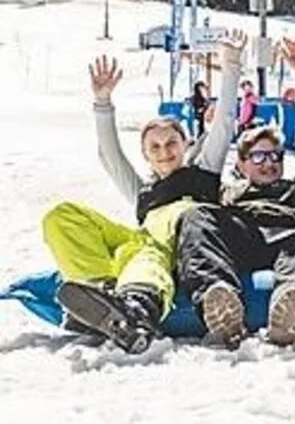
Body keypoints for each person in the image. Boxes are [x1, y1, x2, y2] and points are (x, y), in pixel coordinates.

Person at [40, 31, 244, 353]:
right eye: (155, 147)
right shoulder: (143, 192)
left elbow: (224, 124)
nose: (164, 152)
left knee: (147, 250)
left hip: (182, 240)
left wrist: (231, 65)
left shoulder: (203, 171)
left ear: (185, 144)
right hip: (143, 240)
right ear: (146, 155)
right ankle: (104, 293)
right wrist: (103, 102)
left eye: (171, 143)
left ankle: (135, 311)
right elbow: (110, 156)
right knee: (61, 217)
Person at [172, 38, 295, 347]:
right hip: (243, 236)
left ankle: (290, 306)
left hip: (291, 238)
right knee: (196, 216)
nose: (269, 164)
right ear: (242, 165)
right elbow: (204, 158)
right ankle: (219, 303)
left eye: (275, 156)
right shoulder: (228, 194)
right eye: (259, 157)